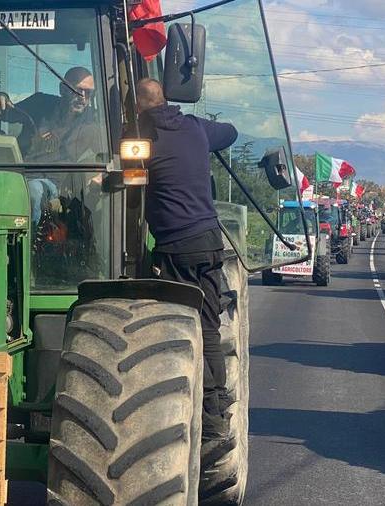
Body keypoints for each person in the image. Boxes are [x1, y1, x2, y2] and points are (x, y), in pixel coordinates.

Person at [135, 78, 238, 442]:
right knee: (209, 328)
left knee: (172, 328)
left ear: (139, 107)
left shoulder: (144, 140)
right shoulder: (195, 127)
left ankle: (174, 407)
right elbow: (231, 132)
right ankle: (215, 416)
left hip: (176, 248)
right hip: (209, 242)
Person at [0, 66, 102, 163]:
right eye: (77, 90)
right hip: (21, 169)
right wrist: (1, 97)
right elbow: (7, 114)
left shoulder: (94, 119)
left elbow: (107, 154)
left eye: (88, 92)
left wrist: (99, 177)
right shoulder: (40, 103)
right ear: (62, 89)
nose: (82, 97)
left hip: (60, 181)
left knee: (36, 187)